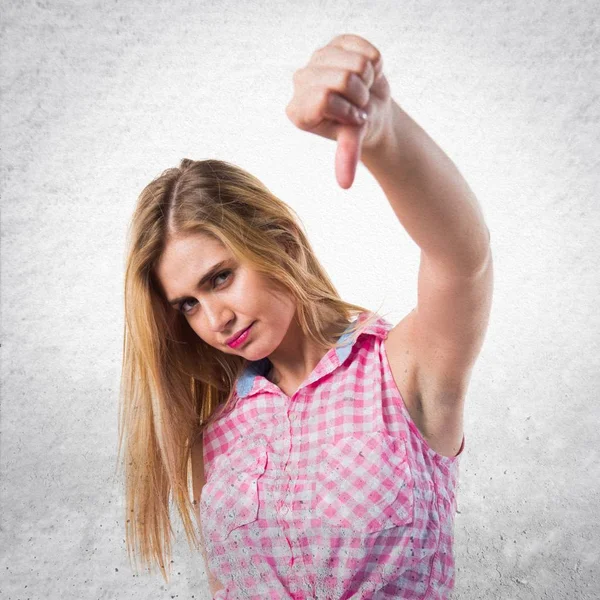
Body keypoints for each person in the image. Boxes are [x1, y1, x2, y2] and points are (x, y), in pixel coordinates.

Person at [118, 33, 493, 599]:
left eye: (220, 277)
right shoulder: (213, 437)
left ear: (282, 242)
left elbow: (463, 260)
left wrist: (384, 133)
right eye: (188, 304)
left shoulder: (403, 370)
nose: (213, 318)